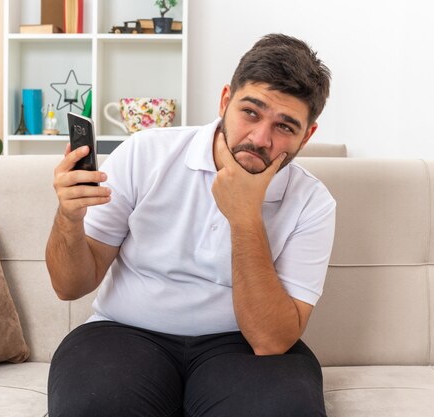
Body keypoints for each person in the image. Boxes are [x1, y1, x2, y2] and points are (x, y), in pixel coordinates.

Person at [46, 33, 336, 417]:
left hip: (244, 347)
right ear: (224, 102)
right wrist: (69, 217)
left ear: (307, 135)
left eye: (285, 126)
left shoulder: (312, 203)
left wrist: (246, 217)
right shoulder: (145, 153)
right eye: (250, 112)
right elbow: (69, 287)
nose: (260, 138)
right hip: (123, 333)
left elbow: (270, 340)